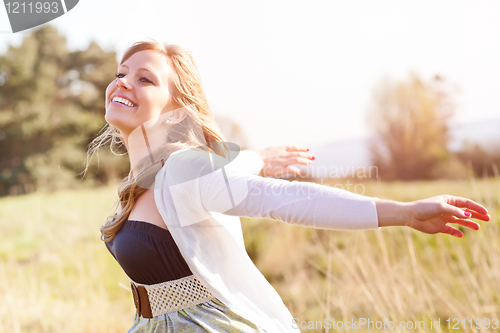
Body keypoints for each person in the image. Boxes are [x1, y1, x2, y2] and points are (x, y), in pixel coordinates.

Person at [89, 40, 490, 333]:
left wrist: (401, 212)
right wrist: (260, 158)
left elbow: (287, 199)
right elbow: (230, 170)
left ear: (176, 113)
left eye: (145, 79)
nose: (123, 82)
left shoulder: (184, 170)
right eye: (121, 73)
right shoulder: (147, 179)